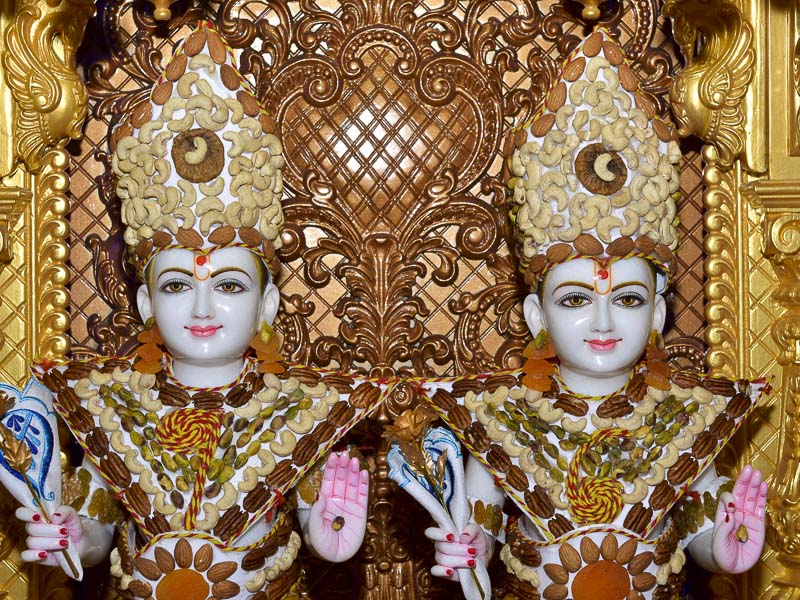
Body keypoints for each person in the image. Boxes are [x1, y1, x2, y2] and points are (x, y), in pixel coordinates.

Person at [14, 21, 381, 599]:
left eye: (230, 286)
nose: (203, 306)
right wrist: (73, 535)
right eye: (177, 286)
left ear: (267, 304)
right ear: (145, 303)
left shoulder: (301, 413)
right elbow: (98, 529)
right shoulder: (111, 409)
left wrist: (329, 534)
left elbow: (321, 523)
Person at [418, 29, 768, 599]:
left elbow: (700, 530)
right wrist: (468, 548)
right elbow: (480, 527)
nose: (603, 323)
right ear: (537, 317)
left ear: (658, 312)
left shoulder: (686, 418)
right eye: (575, 300)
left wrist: (726, 549)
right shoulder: (503, 419)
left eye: (627, 299)